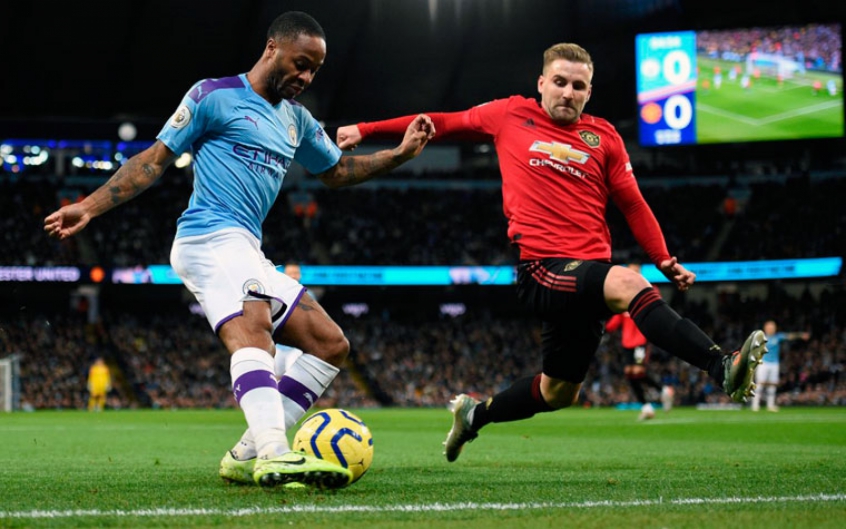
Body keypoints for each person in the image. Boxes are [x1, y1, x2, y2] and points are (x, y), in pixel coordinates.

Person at [45, 11, 435, 488]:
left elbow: (336, 172)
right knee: (253, 330)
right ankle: (274, 452)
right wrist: (89, 205)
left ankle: (246, 452)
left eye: (314, 69)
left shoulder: (297, 121)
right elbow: (153, 161)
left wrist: (398, 155)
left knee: (330, 344)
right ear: (272, 48)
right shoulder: (213, 95)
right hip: (207, 237)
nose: (305, 77)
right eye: (300, 63)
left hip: (246, 247)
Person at [336, 42, 767, 463]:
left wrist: (663, 258)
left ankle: (474, 414)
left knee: (558, 391)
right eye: (559, 82)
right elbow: (440, 123)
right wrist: (366, 129)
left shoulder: (605, 138)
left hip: (587, 277)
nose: (568, 92)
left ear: (589, 92)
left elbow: (632, 202)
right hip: (543, 269)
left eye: (578, 86)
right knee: (629, 282)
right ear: (541, 83)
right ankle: (721, 366)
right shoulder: (509, 114)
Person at [604, 264, 667, 420]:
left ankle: (663, 390)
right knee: (629, 373)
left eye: (635, 271)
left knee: (638, 371)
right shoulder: (623, 293)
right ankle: (647, 406)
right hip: (627, 342)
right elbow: (616, 320)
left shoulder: (649, 289)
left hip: (641, 339)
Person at [751, 320, 810, 412]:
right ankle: (755, 405)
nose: (772, 329)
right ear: (765, 328)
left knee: (772, 384)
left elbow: (789, 336)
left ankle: (770, 405)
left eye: (773, 327)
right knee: (760, 383)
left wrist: (801, 335)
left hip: (774, 364)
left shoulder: (778, 337)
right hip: (763, 363)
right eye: (770, 327)